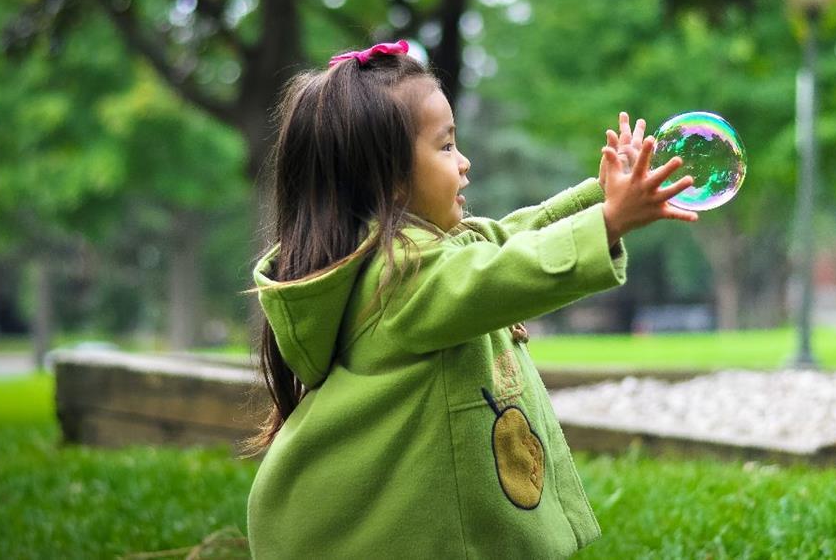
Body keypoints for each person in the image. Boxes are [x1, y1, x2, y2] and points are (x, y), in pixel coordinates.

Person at [244, 40, 697, 558]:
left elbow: (506, 239)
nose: (464, 163)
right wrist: (609, 221)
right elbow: (501, 273)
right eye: (445, 147)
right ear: (389, 179)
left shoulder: (417, 257)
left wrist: (600, 195)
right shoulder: (399, 278)